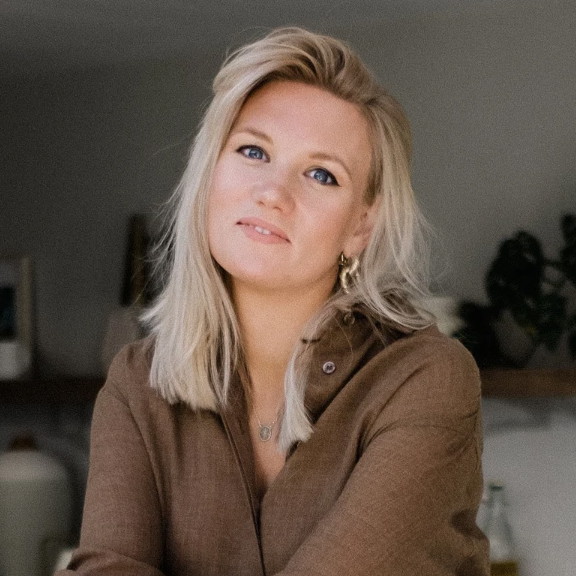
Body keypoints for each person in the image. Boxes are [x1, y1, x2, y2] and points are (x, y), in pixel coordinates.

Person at [57, 27, 488, 575]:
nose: (273, 193)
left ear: (360, 226)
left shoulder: (427, 379)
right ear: (209, 173)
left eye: (320, 174)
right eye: (253, 150)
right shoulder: (138, 385)